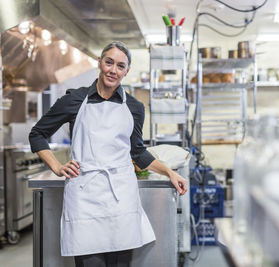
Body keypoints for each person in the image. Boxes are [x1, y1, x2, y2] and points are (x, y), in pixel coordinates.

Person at [29, 41, 187, 267]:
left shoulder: (134, 107)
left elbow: (138, 153)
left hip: (121, 197)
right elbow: (37, 134)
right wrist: (57, 166)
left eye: (120, 66)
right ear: (100, 63)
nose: (113, 70)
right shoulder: (74, 100)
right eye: (109, 62)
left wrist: (170, 172)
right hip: (85, 196)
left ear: (126, 71)